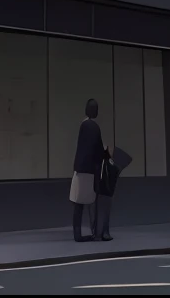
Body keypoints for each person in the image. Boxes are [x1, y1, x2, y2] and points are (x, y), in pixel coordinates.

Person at [71, 99, 106, 242]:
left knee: (78, 202)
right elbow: (98, 149)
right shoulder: (94, 127)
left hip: (80, 168)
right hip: (91, 170)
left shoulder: (83, 125)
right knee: (92, 201)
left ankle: (77, 233)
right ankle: (95, 231)